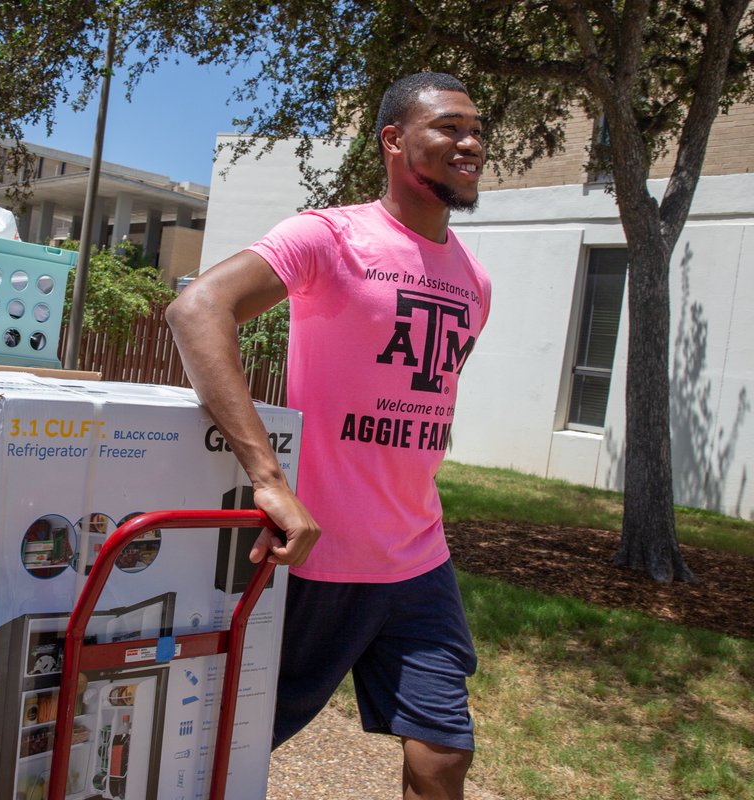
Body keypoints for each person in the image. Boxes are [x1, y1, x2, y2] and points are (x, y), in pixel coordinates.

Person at [166, 72, 490, 800]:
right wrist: (270, 479)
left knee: (443, 754)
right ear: (395, 139)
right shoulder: (329, 236)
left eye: (477, 130)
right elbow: (198, 311)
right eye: (451, 128)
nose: (471, 143)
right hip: (312, 556)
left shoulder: (475, 279)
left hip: (416, 558)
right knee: (221, 744)